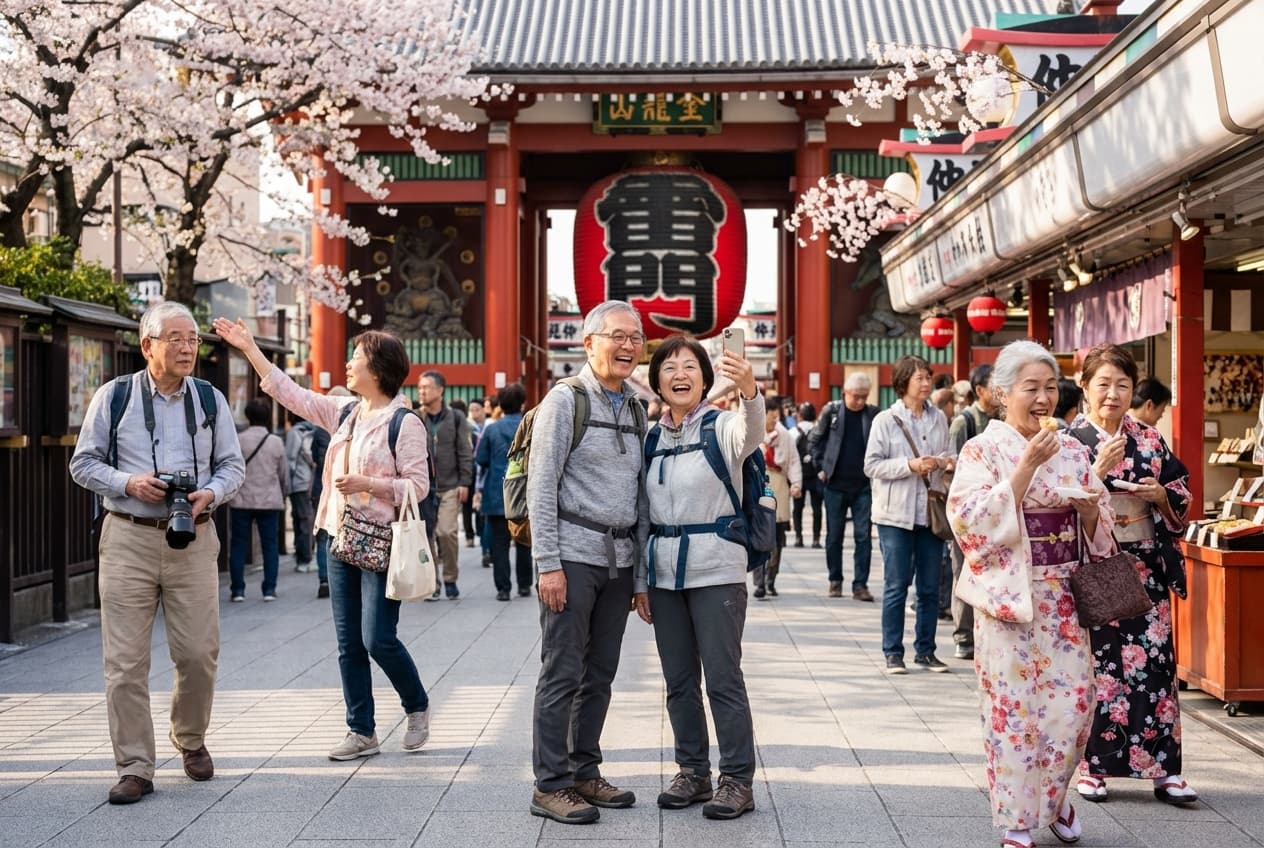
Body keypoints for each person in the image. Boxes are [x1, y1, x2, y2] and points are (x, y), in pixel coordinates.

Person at [213, 318, 433, 762]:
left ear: (379, 368)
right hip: (338, 534)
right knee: (348, 642)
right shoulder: (345, 412)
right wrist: (250, 349)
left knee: (378, 639)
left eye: (357, 358)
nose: (348, 365)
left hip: (379, 539)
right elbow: (290, 393)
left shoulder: (404, 423)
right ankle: (361, 730)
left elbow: (419, 486)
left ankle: (416, 704)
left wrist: (369, 484)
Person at [69, 301, 245, 804]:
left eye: (192, 339)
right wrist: (129, 482)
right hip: (127, 535)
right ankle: (135, 765)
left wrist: (209, 492)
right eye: (176, 338)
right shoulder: (115, 396)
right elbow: (82, 464)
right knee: (124, 662)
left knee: (198, 653)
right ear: (148, 345)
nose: (188, 347)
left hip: (194, 534)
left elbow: (232, 467)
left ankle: (189, 738)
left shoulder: (210, 400)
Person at [947, 340, 1114, 848]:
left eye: (1050, 388)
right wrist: (1023, 470)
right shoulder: (982, 449)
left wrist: (1089, 513)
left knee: (1074, 706)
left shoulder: (1072, 449)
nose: (1043, 398)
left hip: (1064, 599)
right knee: (1014, 713)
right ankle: (1017, 821)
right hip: (1009, 604)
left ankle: (1057, 797)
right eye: (1031, 388)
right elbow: (968, 522)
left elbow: (1102, 521)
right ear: (1002, 393)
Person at [527, 300, 648, 825]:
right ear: (589, 341)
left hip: (619, 561)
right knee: (562, 672)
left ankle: (584, 770)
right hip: (573, 558)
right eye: (617, 336)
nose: (628, 347)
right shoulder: (565, 400)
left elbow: (642, 496)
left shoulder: (637, 407)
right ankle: (550, 784)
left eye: (636, 338)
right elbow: (541, 485)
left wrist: (640, 574)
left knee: (600, 673)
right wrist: (547, 563)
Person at [641, 335, 763, 820]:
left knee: (723, 678)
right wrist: (639, 581)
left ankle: (737, 779)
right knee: (678, 680)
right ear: (657, 383)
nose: (678, 374)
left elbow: (753, 433)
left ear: (705, 378)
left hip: (717, 569)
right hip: (664, 575)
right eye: (668, 367)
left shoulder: (724, 427)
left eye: (689, 365)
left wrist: (751, 392)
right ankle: (693, 771)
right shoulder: (650, 438)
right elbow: (640, 515)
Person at [1071, 345, 1197, 805]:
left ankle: (1163, 768)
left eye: (1122, 385)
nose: (1113, 394)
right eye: (1103, 384)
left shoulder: (1149, 438)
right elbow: (1052, 505)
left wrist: (1161, 494)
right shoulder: (1069, 442)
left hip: (1145, 564)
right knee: (1099, 666)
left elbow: (1181, 494)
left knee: (1155, 668)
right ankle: (1093, 766)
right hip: (1096, 564)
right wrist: (1094, 473)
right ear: (1084, 386)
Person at [863, 354, 952, 675]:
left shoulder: (939, 417)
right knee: (896, 586)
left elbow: (950, 454)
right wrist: (909, 466)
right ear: (903, 383)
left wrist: (942, 462)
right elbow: (871, 465)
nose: (927, 383)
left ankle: (926, 651)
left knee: (929, 587)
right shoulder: (885, 420)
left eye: (928, 377)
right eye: (920, 378)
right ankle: (893, 652)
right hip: (895, 516)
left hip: (930, 514)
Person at [945, 364, 1000, 660]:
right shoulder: (963, 422)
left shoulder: (1003, 420)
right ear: (979, 391)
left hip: (998, 512)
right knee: (964, 570)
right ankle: (963, 635)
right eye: (996, 387)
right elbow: (952, 472)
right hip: (969, 513)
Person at [810, 372, 879, 601]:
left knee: (863, 537)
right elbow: (814, 440)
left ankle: (860, 585)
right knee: (834, 536)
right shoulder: (832, 412)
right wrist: (821, 466)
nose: (859, 401)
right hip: (835, 484)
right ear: (845, 393)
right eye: (855, 396)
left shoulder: (872, 415)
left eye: (864, 396)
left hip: (863, 486)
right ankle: (835, 580)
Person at [418, 370, 474, 599]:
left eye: (427, 387)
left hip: (450, 485)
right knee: (427, 536)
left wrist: (465, 482)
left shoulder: (456, 418)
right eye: (420, 387)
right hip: (423, 488)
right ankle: (433, 583)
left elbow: (464, 451)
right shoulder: (415, 416)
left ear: (440, 391)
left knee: (447, 532)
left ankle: (450, 578)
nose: (422, 391)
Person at [228, 397, 290, 601]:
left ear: (248, 416)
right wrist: (283, 493)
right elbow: (283, 474)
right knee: (270, 545)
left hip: (242, 500)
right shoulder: (275, 442)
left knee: (238, 544)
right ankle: (269, 589)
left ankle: (238, 590)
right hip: (269, 500)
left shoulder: (239, 440)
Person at [476, 383, 532, 601]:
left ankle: (503, 588)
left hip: (497, 491)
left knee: (499, 544)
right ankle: (525, 584)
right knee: (524, 541)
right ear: (522, 404)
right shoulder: (531, 427)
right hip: (526, 492)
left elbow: (481, 459)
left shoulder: (491, 429)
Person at [754, 394, 800, 599]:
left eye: (776, 416)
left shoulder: (786, 436)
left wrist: (796, 483)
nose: (773, 420)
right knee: (758, 534)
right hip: (758, 485)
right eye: (770, 416)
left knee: (777, 536)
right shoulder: (753, 434)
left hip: (779, 484)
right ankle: (759, 581)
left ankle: (771, 576)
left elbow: (793, 462)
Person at [285, 409, 318, 574]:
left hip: (299, 482)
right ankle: (306, 555)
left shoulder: (295, 432)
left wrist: (286, 482)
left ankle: (305, 559)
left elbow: (290, 459)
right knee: (307, 520)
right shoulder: (313, 430)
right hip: (311, 482)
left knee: (302, 520)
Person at [791, 401, 823, 549]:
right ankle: (816, 539)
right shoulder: (819, 431)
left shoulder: (793, 432)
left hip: (799, 475)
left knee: (798, 508)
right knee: (817, 508)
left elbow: (790, 456)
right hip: (816, 474)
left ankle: (798, 537)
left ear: (799, 416)